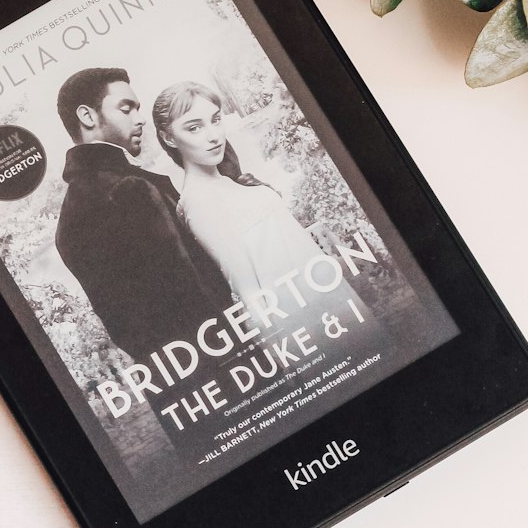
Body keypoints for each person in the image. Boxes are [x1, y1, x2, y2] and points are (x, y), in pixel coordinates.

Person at [53, 67, 234, 369]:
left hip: (172, 378)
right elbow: (194, 295)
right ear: (87, 117)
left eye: (138, 108)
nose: (140, 119)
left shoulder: (71, 211)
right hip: (221, 365)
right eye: (126, 109)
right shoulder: (127, 189)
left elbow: (125, 322)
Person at [151, 80, 367, 332]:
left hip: (329, 299)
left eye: (216, 120)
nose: (213, 136)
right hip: (303, 321)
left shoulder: (228, 184)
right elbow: (249, 294)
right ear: (169, 138)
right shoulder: (199, 201)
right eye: (194, 128)